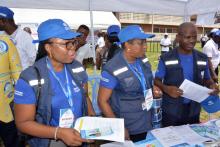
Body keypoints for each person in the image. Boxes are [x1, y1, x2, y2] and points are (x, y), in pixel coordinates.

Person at [14, 19, 95, 147]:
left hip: (80, 136)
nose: (73, 48)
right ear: (48, 48)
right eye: (66, 44)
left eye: (74, 42)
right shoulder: (30, 78)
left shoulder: (77, 68)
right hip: (52, 141)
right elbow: (23, 123)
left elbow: (84, 96)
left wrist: (92, 118)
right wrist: (59, 133)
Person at [98, 25, 156, 142]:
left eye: (145, 42)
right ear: (127, 45)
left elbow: (146, 81)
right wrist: (119, 127)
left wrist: (154, 89)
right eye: (140, 43)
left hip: (146, 118)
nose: (145, 46)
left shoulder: (142, 59)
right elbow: (102, 101)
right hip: (128, 124)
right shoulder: (112, 67)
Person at [154, 22, 219, 127]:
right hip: (171, 110)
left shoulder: (202, 58)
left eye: (194, 37)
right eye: (187, 37)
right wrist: (166, 89)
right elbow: (156, 80)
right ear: (178, 37)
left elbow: (207, 79)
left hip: (193, 110)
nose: (192, 41)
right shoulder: (166, 58)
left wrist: (212, 85)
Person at [0, 34, 22, 147]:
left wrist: (21, 99)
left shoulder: (5, 41)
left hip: (5, 105)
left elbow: (17, 72)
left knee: (12, 140)